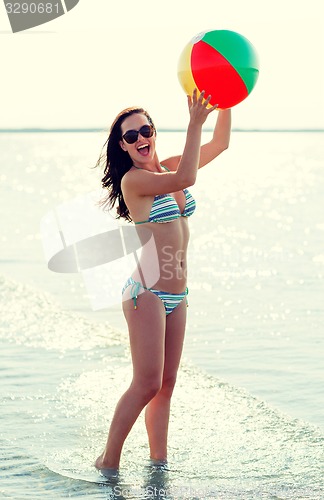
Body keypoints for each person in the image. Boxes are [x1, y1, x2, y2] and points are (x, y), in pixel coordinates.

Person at [94, 89, 231, 477]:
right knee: (146, 383)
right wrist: (194, 122)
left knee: (166, 384)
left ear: (154, 132)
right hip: (147, 294)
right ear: (122, 147)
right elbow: (189, 176)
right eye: (130, 136)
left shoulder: (166, 168)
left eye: (145, 130)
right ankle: (109, 461)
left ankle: (158, 464)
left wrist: (228, 96)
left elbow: (219, 144)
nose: (140, 139)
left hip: (178, 294)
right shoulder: (134, 182)